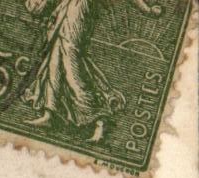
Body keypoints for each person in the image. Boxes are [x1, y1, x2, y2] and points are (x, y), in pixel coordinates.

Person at [20, 0, 163, 142]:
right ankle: (50, 113)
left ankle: (100, 118)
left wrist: (147, 10)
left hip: (81, 9)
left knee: (71, 60)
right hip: (65, 8)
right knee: (55, 58)